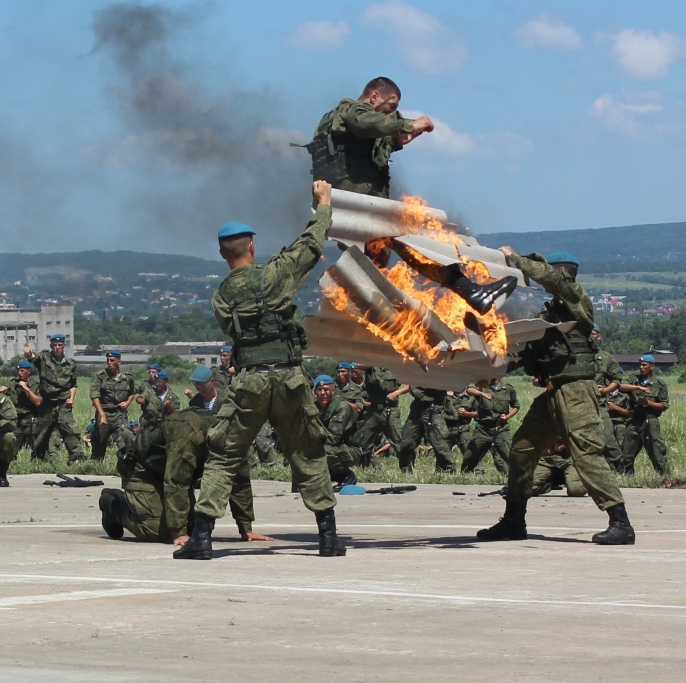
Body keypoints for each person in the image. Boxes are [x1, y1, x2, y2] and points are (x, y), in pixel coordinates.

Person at [175, 180, 345, 560]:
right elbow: (312, 243)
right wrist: (323, 204)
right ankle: (328, 536)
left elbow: (232, 332)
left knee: (224, 454)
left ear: (222, 253)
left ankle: (202, 537)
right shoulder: (276, 275)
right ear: (252, 245)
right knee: (308, 451)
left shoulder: (221, 297)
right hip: (289, 378)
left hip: (249, 381)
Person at [306, 76, 515, 315]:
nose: (390, 114)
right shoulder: (353, 112)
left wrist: (403, 136)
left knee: (375, 265)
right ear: (374, 96)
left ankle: (354, 300)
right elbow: (364, 123)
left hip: (352, 208)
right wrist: (411, 124)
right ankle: (470, 291)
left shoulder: (345, 124)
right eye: (390, 107)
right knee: (412, 240)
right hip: (358, 206)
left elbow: (375, 140)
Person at [476, 251, 635, 545]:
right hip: (552, 393)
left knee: (586, 453)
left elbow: (554, 279)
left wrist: (517, 261)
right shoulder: (545, 317)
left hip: (576, 390)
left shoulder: (578, 300)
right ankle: (513, 521)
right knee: (521, 450)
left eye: (555, 271)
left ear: (565, 272)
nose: (549, 275)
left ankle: (621, 523)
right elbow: (521, 357)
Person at [100, 366, 269, 545]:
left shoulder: (233, 435)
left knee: (191, 527)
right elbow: (176, 479)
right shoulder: (189, 431)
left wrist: (246, 529)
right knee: (160, 531)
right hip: (142, 469)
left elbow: (239, 479)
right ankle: (114, 506)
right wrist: (178, 532)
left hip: (167, 468)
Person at [25, 333, 83, 462]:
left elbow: (73, 385)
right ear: (51, 346)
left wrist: (71, 399)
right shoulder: (44, 358)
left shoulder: (71, 364)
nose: (57, 347)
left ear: (64, 346)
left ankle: (77, 458)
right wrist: (28, 353)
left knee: (69, 429)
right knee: (41, 431)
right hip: (47, 402)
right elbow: (32, 357)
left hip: (63, 402)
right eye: (55, 345)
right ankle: (38, 458)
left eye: (60, 345)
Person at [618, 354, 669, 475]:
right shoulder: (633, 378)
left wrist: (648, 403)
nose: (641, 367)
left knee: (657, 452)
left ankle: (666, 477)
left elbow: (664, 405)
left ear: (652, 366)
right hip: (635, 420)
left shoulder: (659, 384)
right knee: (626, 453)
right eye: (640, 364)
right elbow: (621, 387)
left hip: (650, 420)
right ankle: (626, 477)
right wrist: (638, 387)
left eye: (644, 365)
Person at [460, 378, 520, 474]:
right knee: (469, 455)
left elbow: (516, 406)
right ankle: (464, 474)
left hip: (500, 428)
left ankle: (519, 477)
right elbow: (468, 390)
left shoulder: (508, 389)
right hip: (483, 429)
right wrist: (482, 393)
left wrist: (507, 417)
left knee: (509, 455)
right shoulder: (483, 388)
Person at [313, 375, 360, 486]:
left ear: (333, 390)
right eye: (319, 390)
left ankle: (346, 475)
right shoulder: (313, 408)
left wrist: (309, 445)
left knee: (321, 451)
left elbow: (332, 438)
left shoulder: (341, 407)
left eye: (326, 389)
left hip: (349, 449)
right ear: (315, 392)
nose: (323, 393)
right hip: (329, 446)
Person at [89, 350, 135, 461]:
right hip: (104, 412)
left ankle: (126, 462)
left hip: (119, 413)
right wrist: (102, 415)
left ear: (119, 361)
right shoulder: (101, 376)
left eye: (112, 360)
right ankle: (96, 463)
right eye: (108, 360)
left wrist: (128, 402)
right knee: (99, 440)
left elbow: (132, 392)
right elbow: (94, 396)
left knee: (125, 436)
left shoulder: (128, 378)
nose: (109, 363)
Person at [354, 365, 404, 466]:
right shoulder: (371, 366)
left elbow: (410, 383)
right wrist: (373, 360)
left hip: (390, 409)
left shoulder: (396, 366)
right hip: (373, 409)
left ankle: (407, 468)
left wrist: (397, 393)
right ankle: (364, 467)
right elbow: (358, 364)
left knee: (398, 441)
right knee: (364, 441)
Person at [397, 385, 454, 473]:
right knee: (406, 442)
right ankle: (406, 470)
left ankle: (447, 471)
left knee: (440, 443)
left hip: (434, 407)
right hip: (417, 407)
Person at [131, 371, 180, 467]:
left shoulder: (173, 397)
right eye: (156, 381)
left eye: (159, 381)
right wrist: (140, 400)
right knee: (143, 447)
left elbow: (176, 414)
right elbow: (141, 397)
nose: (157, 384)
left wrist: (169, 407)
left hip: (165, 427)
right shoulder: (151, 392)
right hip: (149, 425)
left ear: (166, 382)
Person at [592, 327, 624, 467]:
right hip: (577, 405)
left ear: (599, 336)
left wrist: (605, 390)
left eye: (592, 334)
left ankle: (618, 466)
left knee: (607, 436)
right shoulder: (573, 357)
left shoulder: (605, 358)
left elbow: (617, 379)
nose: (589, 337)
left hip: (599, 405)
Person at [0, 359, 41, 457]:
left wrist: (26, 388)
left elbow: (38, 402)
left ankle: (36, 458)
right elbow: (2, 396)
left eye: (22, 371)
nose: (19, 373)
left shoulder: (36, 385)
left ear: (29, 371)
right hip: (16, 419)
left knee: (36, 444)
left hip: (30, 418)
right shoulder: (13, 383)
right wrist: (1, 391)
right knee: (12, 443)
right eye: (18, 371)